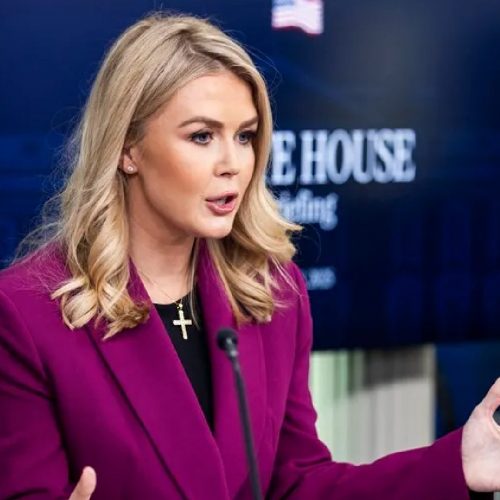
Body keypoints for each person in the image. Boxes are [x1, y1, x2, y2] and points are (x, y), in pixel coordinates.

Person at [0, 12, 498, 500]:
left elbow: (295, 485)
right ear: (128, 148)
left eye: (245, 136)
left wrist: (454, 467)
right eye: (202, 136)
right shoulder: (24, 313)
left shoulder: (273, 292)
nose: (233, 163)